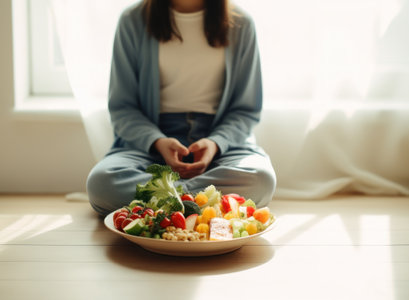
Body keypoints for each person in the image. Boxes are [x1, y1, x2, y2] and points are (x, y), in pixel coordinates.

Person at [87, 0, 276, 216]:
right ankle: (202, 202)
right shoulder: (132, 21)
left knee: (260, 180)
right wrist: (157, 141)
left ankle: (166, 201)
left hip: (221, 141)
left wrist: (215, 143)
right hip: (150, 143)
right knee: (102, 184)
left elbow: (246, 109)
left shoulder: (241, 24)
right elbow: (123, 108)